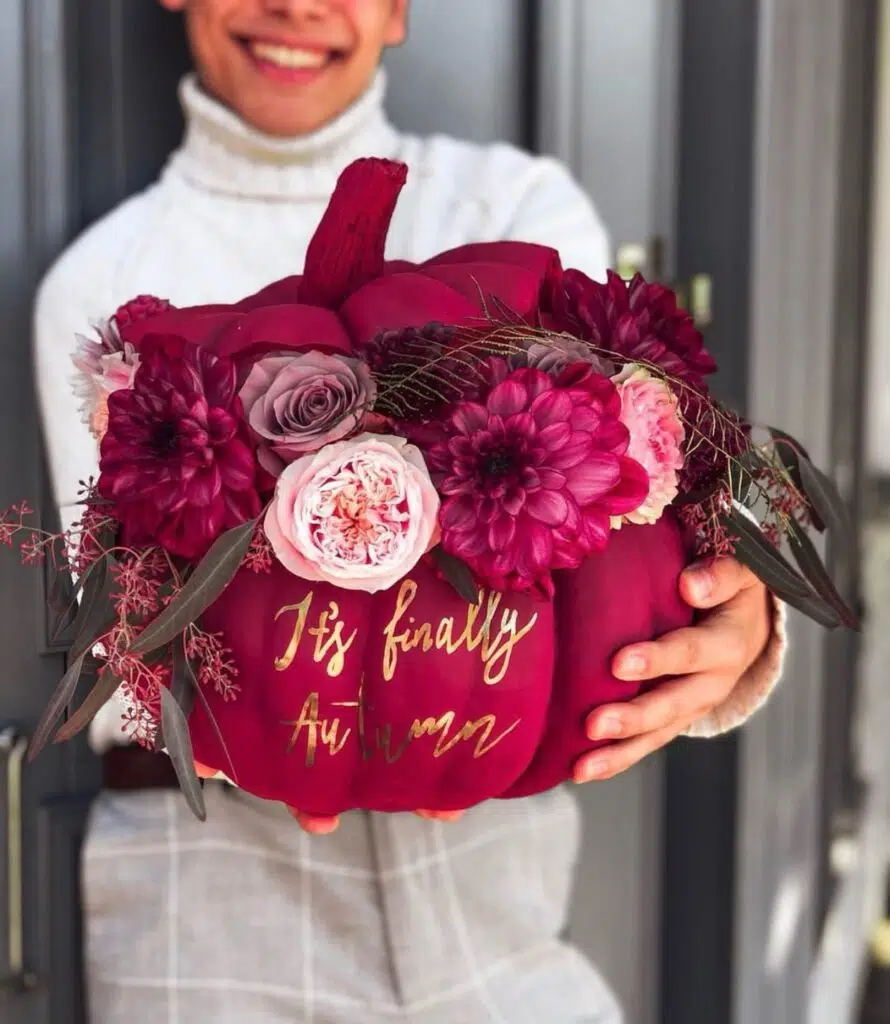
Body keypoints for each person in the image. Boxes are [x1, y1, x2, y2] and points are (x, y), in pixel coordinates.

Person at [34, 2, 784, 1022]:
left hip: (491, 875)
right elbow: (120, 628)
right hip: (210, 881)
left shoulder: (519, 211)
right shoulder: (102, 288)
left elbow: (628, 529)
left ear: (398, 8)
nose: (298, 6)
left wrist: (732, 620)